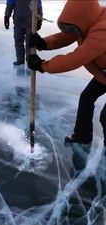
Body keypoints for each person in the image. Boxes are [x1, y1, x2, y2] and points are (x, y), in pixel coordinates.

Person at [27, 0, 106, 148]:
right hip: (103, 76)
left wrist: (43, 65)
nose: (72, 31)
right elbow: (66, 36)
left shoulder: (103, 29)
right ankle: (82, 135)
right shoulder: (87, 22)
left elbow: (77, 58)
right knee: (86, 98)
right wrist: (44, 43)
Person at [4, 0, 43, 66]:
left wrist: (39, 20)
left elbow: (38, 6)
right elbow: (10, 4)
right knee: (18, 41)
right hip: (18, 22)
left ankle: (29, 61)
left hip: (30, 23)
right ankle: (20, 60)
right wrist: (7, 17)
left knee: (30, 43)